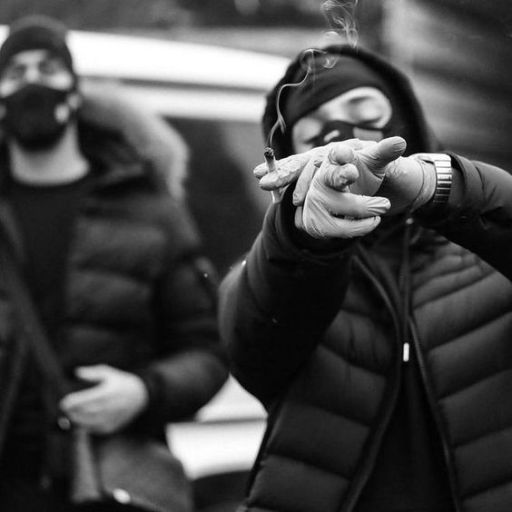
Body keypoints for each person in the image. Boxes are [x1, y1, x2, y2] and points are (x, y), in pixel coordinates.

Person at [219, 44, 512, 512]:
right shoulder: (274, 273)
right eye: (314, 131)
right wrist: (300, 236)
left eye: (364, 109)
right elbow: (254, 337)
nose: (341, 136)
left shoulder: (488, 264)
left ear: (407, 121)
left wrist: (436, 185)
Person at [0, 15, 228, 512]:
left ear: (76, 91)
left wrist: (144, 392)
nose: (32, 82)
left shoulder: (148, 209)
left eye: (47, 67)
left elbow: (208, 351)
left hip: (107, 486)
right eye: (15, 72)